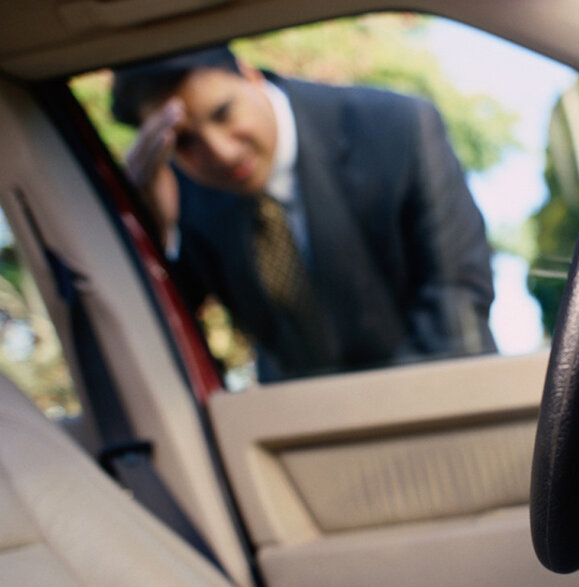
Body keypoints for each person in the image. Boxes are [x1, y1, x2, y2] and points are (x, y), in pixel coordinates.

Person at [111, 47, 496, 382]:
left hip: (441, 403)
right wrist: (155, 229)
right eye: (184, 141)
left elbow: (456, 300)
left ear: (250, 76)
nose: (221, 153)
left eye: (223, 113)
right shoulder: (181, 193)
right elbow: (162, 338)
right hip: (295, 428)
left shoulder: (397, 126)